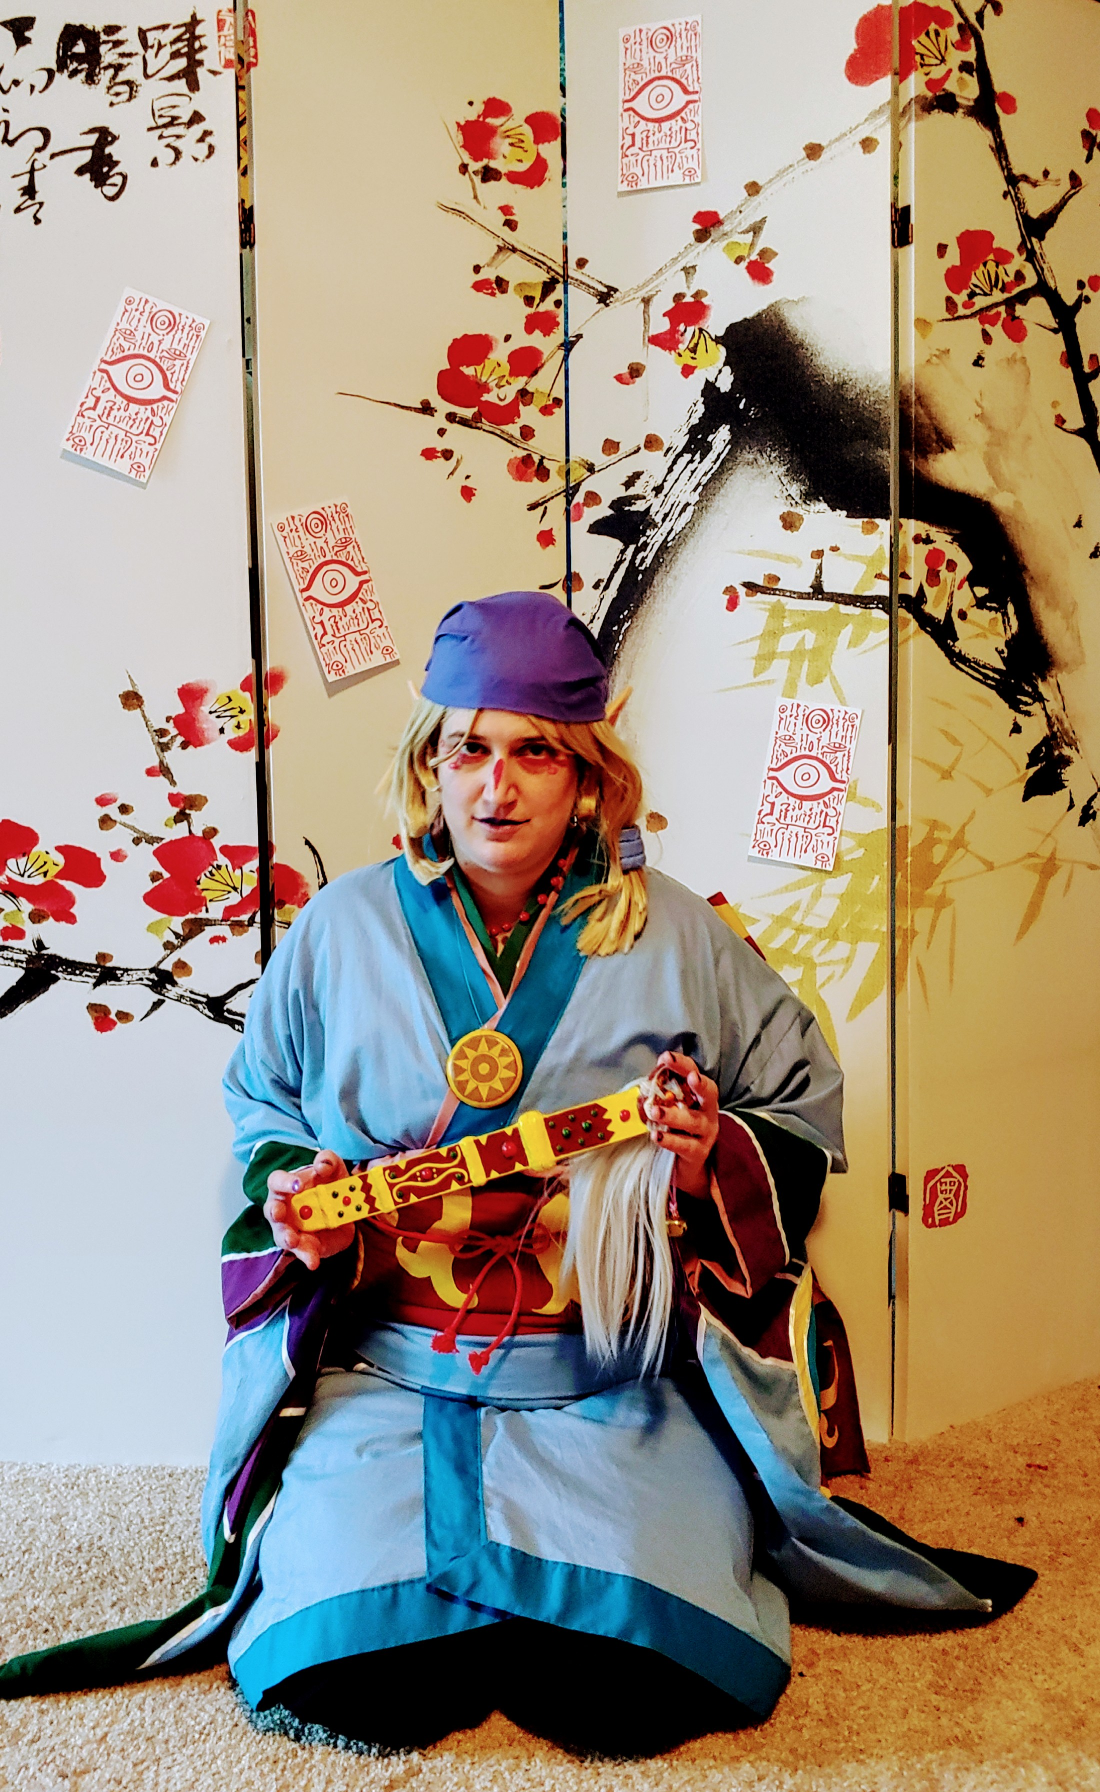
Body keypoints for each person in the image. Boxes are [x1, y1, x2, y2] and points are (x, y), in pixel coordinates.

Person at [0, 591, 1033, 1755]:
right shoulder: (338, 930)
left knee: (640, 1689)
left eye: (532, 751)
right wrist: (299, 1194)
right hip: (392, 1369)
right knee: (343, 1676)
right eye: (468, 749)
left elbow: (794, 1101)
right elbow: (263, 1106)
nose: (495, 786)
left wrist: (706, 1162)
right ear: (428, 765)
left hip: (606, 1374)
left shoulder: (684, 936)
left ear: (586, 773)